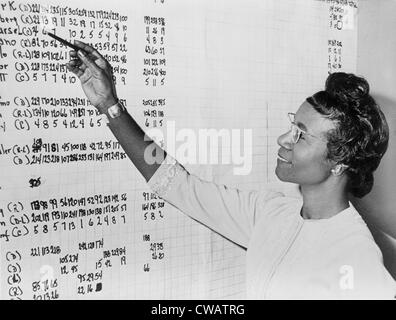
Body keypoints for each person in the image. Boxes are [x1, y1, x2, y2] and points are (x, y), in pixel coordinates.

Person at [67, 40, 396, 299]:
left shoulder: (357, 258)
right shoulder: (270, 213)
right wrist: (109, 105)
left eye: (300, 135)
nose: (283, 139)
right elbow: (176, 183)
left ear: (340, 162)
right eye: (290, 125)